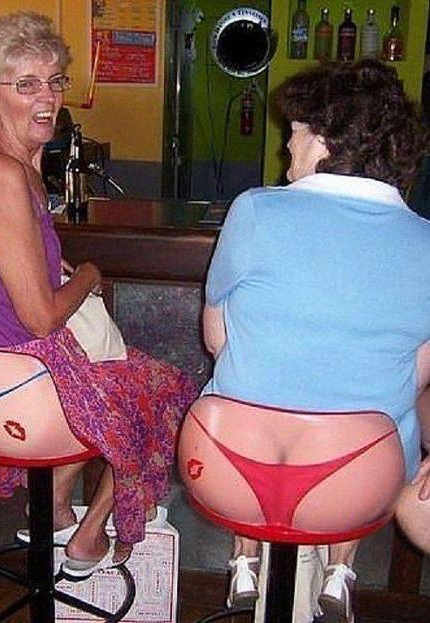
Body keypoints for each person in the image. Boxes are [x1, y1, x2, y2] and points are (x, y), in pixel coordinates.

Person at [0, 11, 195, 573]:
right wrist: (90, 275)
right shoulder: (5, 176)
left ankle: (52, 509)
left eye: (54, 81)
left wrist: (54, 265)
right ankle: (88, 535)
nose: (47, 97)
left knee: (106, 376)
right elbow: (39, 319)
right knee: (169, 391)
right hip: (12, 390)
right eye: (26, 84)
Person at [202, 59, 430, 622]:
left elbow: (216, 339)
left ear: (326, 140)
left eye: (296, 131)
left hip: (232, 468)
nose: (287, 147)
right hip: (357, 483)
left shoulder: (254, 211)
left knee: (238, 386)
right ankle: (341, 569)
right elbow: (418, 374)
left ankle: (245, 559)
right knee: (385, 412)